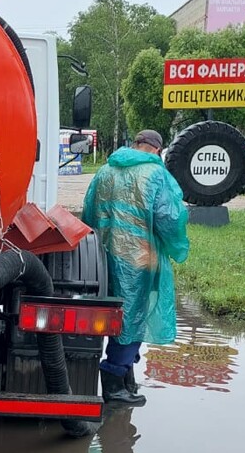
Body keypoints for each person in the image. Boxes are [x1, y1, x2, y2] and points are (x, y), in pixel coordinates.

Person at [81, 129, 190, 406]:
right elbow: (169, 218)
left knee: (109, 312)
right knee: (132, 316)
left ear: (135, 144)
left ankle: (125, 374)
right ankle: (115, 383)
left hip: (104, 257)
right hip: (140, 259)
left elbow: (89, 212)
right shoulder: (156, 174)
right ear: (157, 149)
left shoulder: (105, 170)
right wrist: (176, 247)